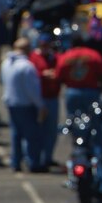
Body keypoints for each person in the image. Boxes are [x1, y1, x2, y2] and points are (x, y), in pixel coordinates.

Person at [55, 34, 102, 171]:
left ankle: (78, 159)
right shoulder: (93, 55)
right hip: (91, 92)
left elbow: (58, 76)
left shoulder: (66, 56)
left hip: (73, 92)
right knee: (96, 129)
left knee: (76, 128)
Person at [1, 38, 46, 173]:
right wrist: (41, 105)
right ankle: (33, 163)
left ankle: (16, 162)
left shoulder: (6, 63)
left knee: (16, 134)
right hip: (25, 105)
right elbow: (32, 90)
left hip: (11, 103)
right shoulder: (26, 66)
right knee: (31, 136)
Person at [29, 35, 61, 169]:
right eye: (43, 45)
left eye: (47, 45)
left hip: (53, 97)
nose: (45, 48)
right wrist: (43, 74)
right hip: (39, 98)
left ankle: (47, 158)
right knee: (37, 131)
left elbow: (61, 67)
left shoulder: (55, 57)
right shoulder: (34, 57)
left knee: (51, 131)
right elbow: (30, 74)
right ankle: (35, 160)